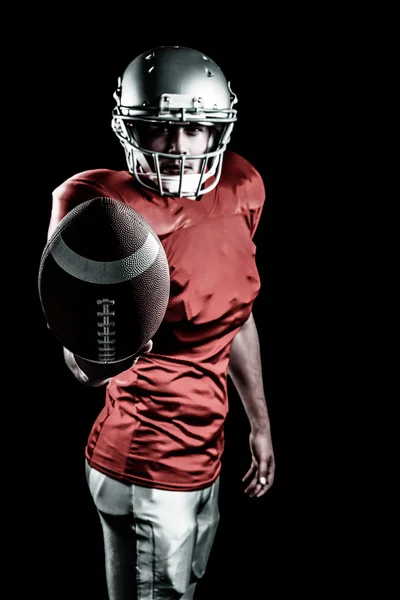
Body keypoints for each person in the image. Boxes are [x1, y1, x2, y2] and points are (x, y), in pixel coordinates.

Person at [47, 45, 275, 600]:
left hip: (207, 452)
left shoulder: (242, 188)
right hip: (145, 460)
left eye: (194, 128)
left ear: (216, 131)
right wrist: (107, 347)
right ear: (130, 129)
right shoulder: (102, 203)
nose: (177, 147)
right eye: (158, 130)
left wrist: (260, 423)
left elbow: (237, 320)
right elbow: (82, 356)